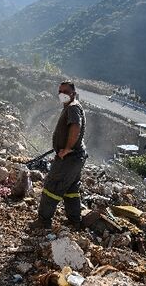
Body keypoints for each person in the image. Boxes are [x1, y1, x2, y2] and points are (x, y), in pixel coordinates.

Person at [30, 81, 87, 230]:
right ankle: (75, 221)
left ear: (73, 93)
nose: (62, 94)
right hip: (76, 158)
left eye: (66, 92)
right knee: (71, 190)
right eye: (60, 91)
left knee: (52, 186)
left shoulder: (73, 108)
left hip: (69, 158)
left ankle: (43, 221)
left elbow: (76, 127)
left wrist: (67, 148)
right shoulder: (73, 106)